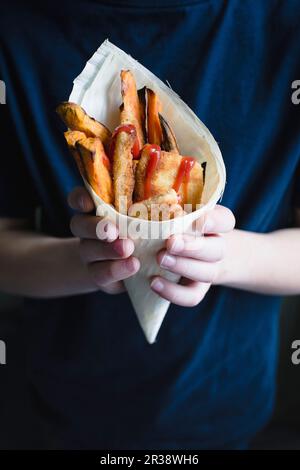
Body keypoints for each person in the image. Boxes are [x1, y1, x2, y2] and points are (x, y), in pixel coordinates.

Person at [0, 0, 299, 450]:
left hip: (225, 402)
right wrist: (83, 261)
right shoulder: (15, 31)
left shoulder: (286, 24)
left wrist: (224, 255)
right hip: (63, 403)